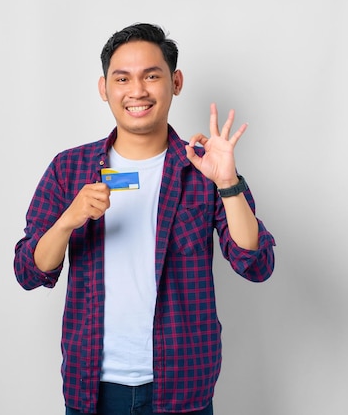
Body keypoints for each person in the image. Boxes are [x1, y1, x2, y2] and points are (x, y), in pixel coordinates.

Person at [14, 23, 276, 415]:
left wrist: (227, 182)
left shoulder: (202, 169)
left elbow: (255, 264)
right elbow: (28, 271)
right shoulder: (70, 169)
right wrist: (67, 220)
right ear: (104, 88)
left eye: (151, 76)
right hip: (93, 389)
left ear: (176, 81)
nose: (137, 91)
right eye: (122, 78)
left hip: (182, 387)